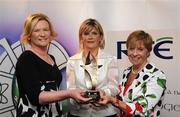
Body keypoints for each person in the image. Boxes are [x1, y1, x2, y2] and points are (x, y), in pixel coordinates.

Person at [15, 13, 90, 117]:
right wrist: (70, 93)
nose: (42, 34)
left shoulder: (51, 58)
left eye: (45, 30)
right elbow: (37, 97)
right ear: (29, 36)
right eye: (37, 30)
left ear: (50, 33)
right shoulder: (26, 58)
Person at [98, 30, 167, 117]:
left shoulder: (157, 76)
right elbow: (121, 99)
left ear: (148, 52)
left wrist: (112, 100)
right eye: (131, 49)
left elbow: (141, 108)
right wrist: (104, 94)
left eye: (140, 49)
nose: (134, 53)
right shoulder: (127, 72)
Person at [66, 18, 119, 117]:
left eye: (94, 33)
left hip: (105, 113)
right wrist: (78, 98)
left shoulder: (110, 59)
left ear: (100, 37)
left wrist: (103, 92)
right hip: (79, 113)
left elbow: (114, 87)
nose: (90, 37)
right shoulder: (72, 61)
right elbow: (71, 89)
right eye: (86, 33)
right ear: (81, 37)